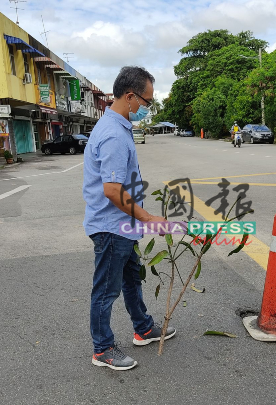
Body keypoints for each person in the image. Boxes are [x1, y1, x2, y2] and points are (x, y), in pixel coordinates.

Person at [82, 66, 176, 371]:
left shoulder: (117, 127)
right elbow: (112, 190)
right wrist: (148, 217)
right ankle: (102, 348)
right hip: (112, 228)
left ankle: (143, 328)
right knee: (106, 290)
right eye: (146, 103)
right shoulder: (113, 135)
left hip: (123, 226)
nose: (146, 109)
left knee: (132, 280)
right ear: (130, 96)